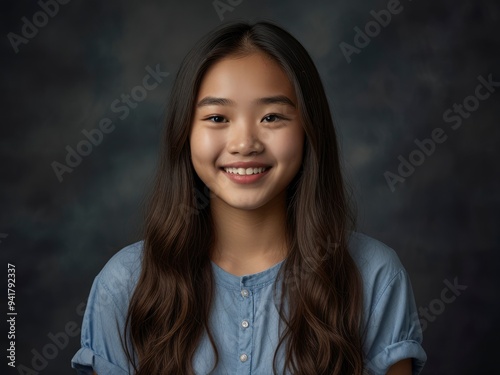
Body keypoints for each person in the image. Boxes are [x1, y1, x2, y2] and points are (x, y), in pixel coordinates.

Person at [71, 20, 427, 375]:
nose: (244, 144)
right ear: (185, 133)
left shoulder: (375, 276)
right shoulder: (124, 284)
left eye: (271, 116)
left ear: (308, 130)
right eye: (217, 117)